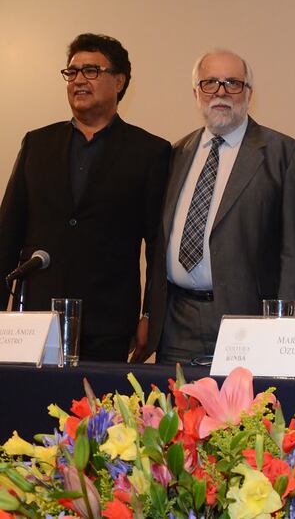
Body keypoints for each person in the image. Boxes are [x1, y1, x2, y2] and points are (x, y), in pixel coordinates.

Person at [0, 33, 170, 361]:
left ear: (119, 81)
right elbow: (8, 232)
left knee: (98, 412)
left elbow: (158, 245)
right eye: (72, 72)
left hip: (108, 321)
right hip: (35, 321)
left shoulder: (149, 151)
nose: (78, 80)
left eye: (91, 71)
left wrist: (150, 316)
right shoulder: (38, 144)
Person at [153, 50, 295, 364]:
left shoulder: (284, 155)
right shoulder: (175, 154)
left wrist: (284, 330)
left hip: (248, 323)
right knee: (171, 412)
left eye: (233, 83)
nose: (221, 92)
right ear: (196, 92)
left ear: (249, 94)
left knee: (243, 414)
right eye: (210, 83)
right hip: (176, 325)